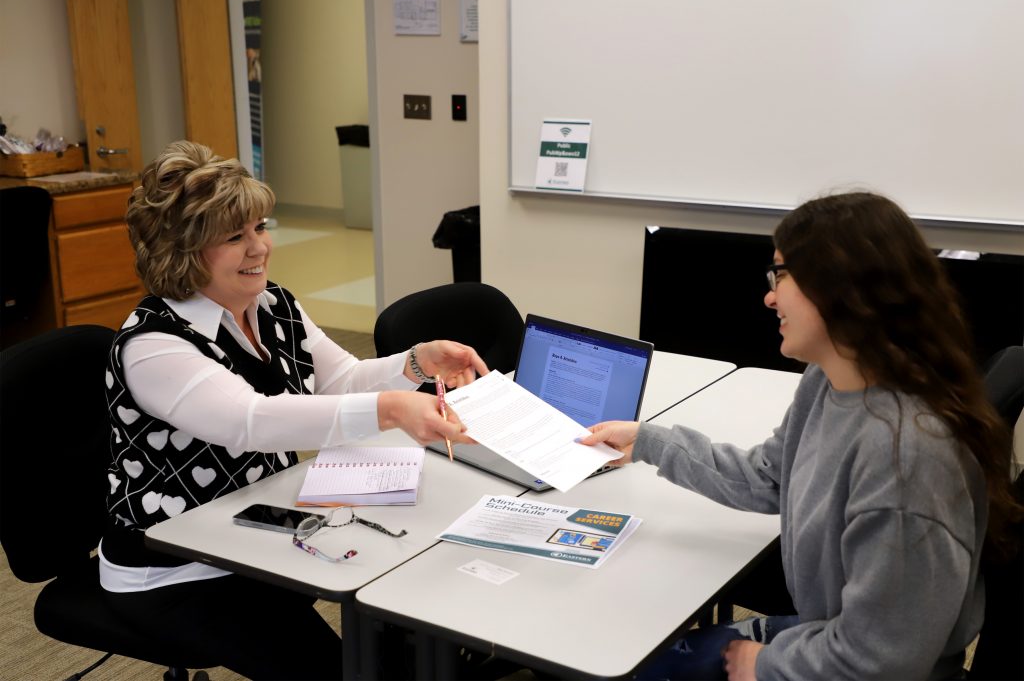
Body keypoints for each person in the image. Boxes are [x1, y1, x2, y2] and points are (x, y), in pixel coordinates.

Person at [580, 192, 1021, 680]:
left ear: (840, 287)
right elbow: (770, 476)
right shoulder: (830, 380)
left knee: (649, 667)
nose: (769, 296)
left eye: (781, 275)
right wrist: (648, 441)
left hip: (866, 664)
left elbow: (883, 661)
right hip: (835, 636)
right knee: (653, 659)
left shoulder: (906, 458)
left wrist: (766, 666)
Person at [100, 140, 488, 680]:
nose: (259, 247)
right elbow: (250, 421)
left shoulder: (272, 305)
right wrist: (392, 410)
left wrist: (417, 364)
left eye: (260, 227)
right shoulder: (153, 345)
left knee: (403, 604)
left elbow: (342, 380)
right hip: (178, 566)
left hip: (260, 525)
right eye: (235, 237)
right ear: (182, 253)